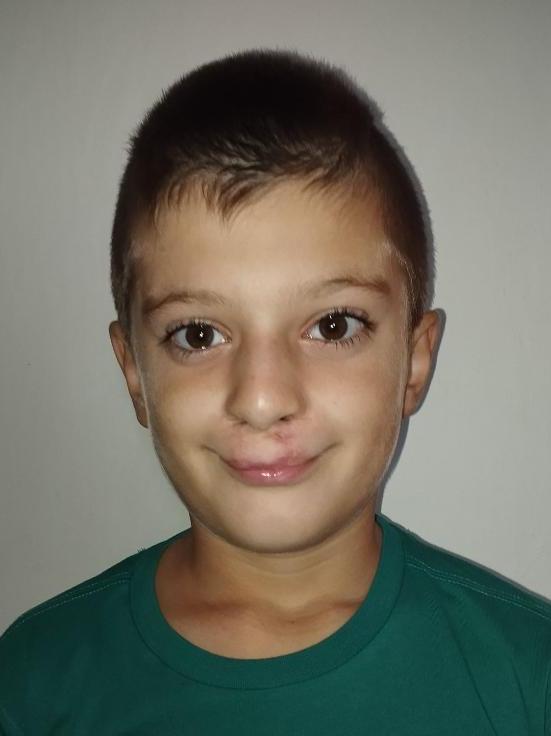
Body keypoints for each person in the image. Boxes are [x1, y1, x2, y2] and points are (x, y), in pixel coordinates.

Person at [1, 47, 549, 735]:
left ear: (413, 363)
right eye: (199, 334)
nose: (262, 400)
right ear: (134, 373)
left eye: (332, 325)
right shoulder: (31, 685)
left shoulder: (530, 680)